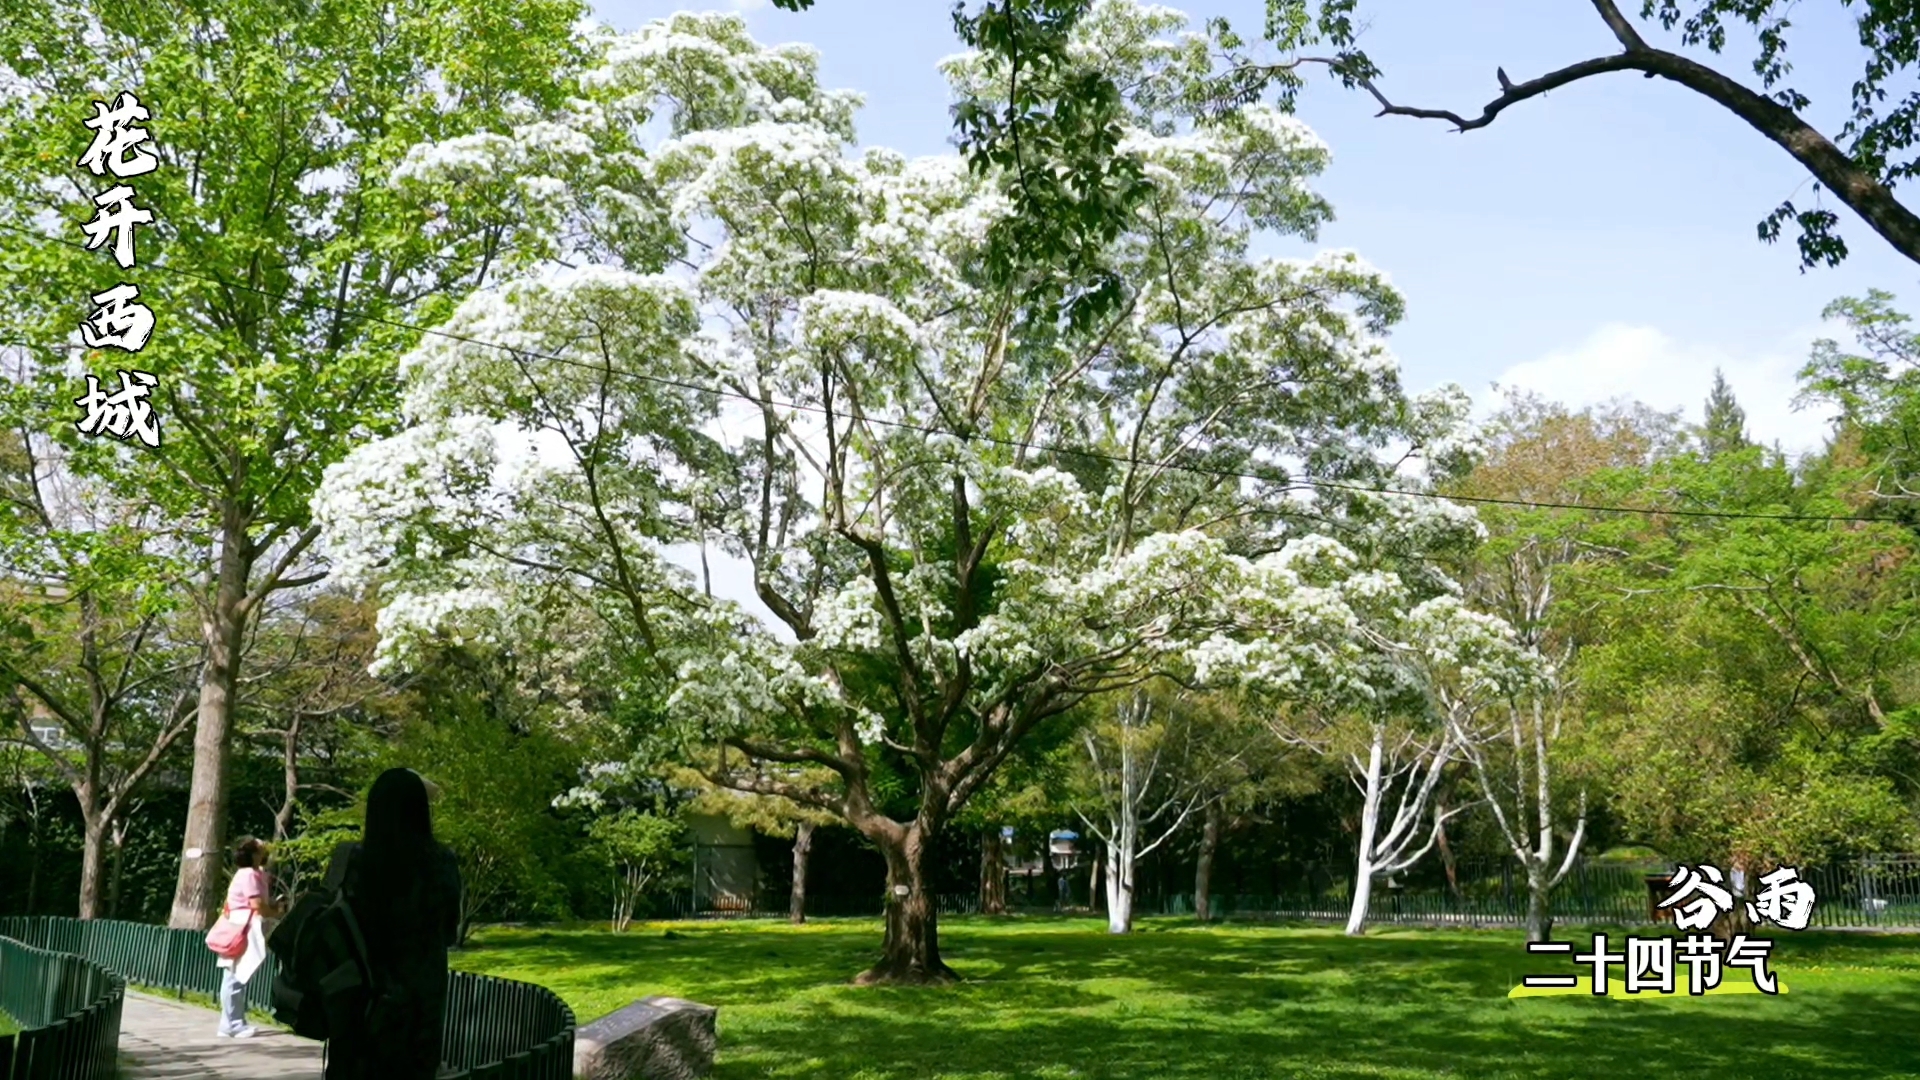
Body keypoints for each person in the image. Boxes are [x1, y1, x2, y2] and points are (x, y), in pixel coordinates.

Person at [321, 768, 464, 1080]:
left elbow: (328, 922)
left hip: (356, 999)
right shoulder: (441, 862)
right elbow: (449, 932)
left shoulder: (349, 859)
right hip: (419, 1007)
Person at [216, 836, 281, 1038]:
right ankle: (233, 1024)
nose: (265, 849)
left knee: (233, 976)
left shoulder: (250, 873)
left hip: (238, 925)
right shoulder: (249, 875)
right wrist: (276, 912)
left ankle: (230, 1022)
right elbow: (257, 906)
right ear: (253, 854)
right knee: (236, 976)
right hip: (244, 927)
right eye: (260, 848)